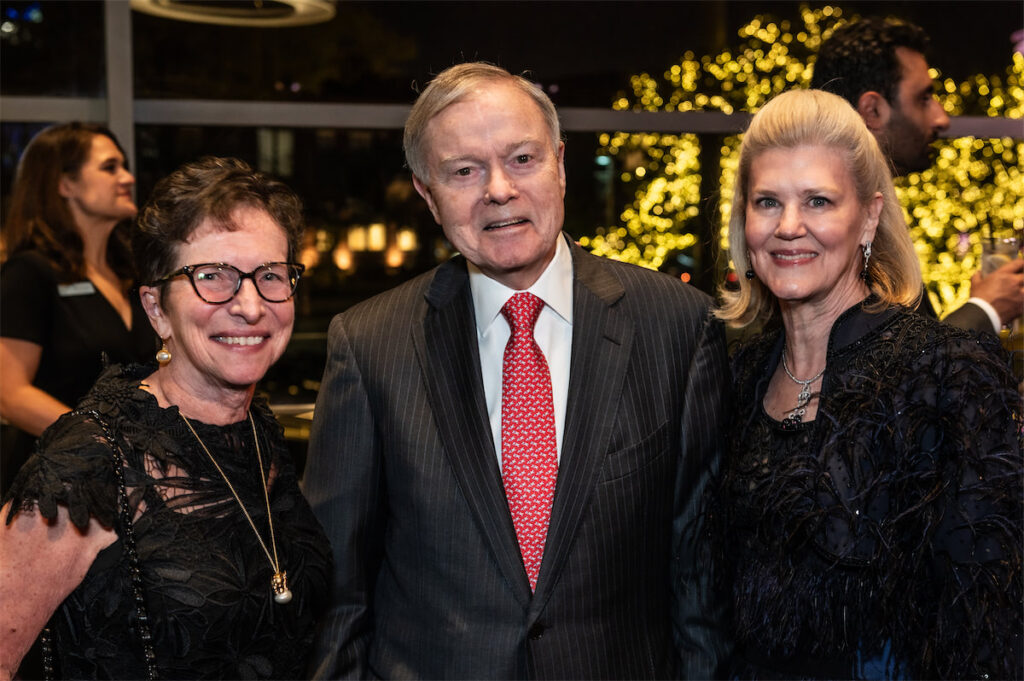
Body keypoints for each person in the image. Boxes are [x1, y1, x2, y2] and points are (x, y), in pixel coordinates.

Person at [304, 62, 730, 679]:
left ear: (561, 162)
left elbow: (699, 574)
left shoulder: (678, 324)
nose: (498, 189)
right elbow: (339, 596)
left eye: (522, 159)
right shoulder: (370, 345)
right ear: (428, 194)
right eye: (463, 171)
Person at [715, 88, 1021, 679]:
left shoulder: (945, 374)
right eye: (768, 202)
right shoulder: (738, 372)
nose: (790, 227)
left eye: (819, 201)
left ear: (870, 216)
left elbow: (988, 623)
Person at [0, 157, 331, 680]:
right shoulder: (90, 463)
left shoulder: (258, 434)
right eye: (212, 277)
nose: (250, 305)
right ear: (156, 309)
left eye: (271, 275)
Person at [811, 16, 1024, 334]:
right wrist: (985, 310)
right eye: (923, 98)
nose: (941, 118)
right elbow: (895, 368)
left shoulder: (871, 207)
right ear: (873, 111)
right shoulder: (833, 226)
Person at [0, 122, 158, 494]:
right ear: (64, 184)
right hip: (55, 484)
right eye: (110, 167)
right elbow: (10, 393)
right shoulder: (30, 272)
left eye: (124, 166)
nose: (127, 178)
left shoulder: (129, 275)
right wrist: (102, 442)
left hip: (127, 481)